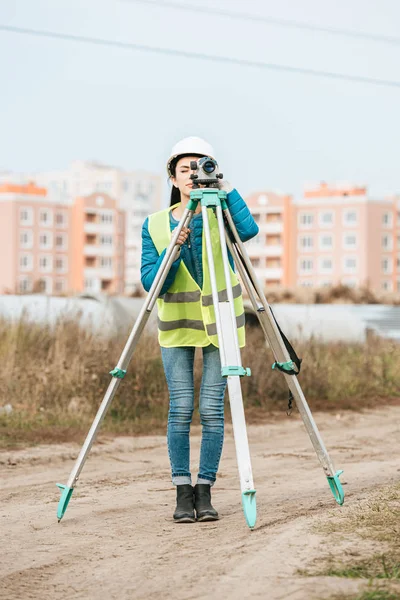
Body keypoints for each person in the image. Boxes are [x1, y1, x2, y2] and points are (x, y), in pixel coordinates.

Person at [140, 137, 259, 523]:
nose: (192, 174)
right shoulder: (155, 224)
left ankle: (204, 491)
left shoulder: (219, 213)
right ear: (172, 178)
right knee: (180, 410)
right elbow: (148, 281)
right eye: (184, 169)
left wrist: (224, 189)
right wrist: (172, 249)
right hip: (176, 327)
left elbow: (250, 231)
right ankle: (182, 492)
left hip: (220, 324)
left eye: (200, 167)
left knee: (211, 411)